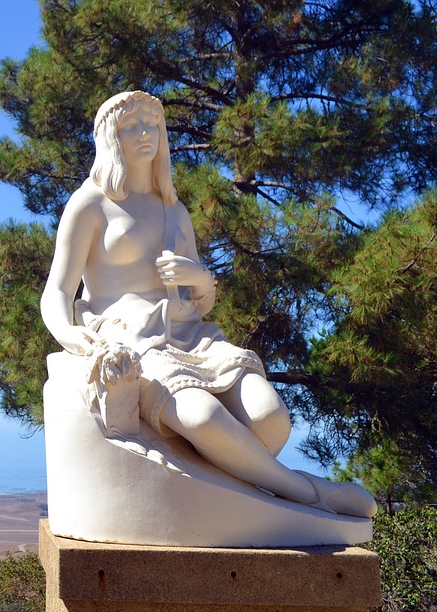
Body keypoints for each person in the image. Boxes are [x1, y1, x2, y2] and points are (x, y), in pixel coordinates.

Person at [40, 91, 376, 518]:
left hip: (190, 333)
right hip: (131, 336)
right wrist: (68, 333)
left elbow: (201, 296)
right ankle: (310, 493)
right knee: (200, 417)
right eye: (132, 126)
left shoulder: (173, 210)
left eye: (153, 125)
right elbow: (56, 290)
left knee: (271, 418)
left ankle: (248, 479)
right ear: (111, 136)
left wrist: (199, 278)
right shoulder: (90, 203)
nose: (145, 134)